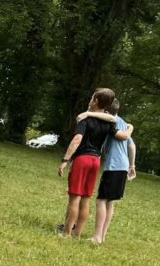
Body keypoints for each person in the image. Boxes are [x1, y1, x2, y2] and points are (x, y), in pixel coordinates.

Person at [56, 88, 132, 238]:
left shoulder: (85, 119)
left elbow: (77, 139)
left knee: (75, 197)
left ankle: (66, 233)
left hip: (82, 159)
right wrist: (130, 128)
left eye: (92, 98)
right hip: (95, 161)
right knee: (85, 198)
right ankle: (77, 233)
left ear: (96, 101)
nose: (90, 100)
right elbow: (121, 135)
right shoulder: (109, 123)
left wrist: (65, 160)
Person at [86, 101, 136, 244]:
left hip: (114, 166)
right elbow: (132, 146)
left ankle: (97, 237)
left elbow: (125, 139)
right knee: (109, 202)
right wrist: (132, 165)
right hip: (122, 166)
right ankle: (102, 236)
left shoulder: (110, 122)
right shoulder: (123, 123)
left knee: (101, 200)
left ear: (106, 111)